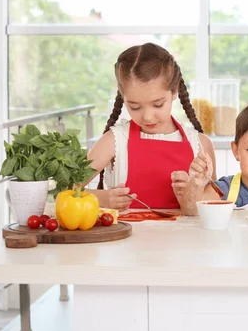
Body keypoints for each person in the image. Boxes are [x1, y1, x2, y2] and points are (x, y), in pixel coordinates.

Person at [86, 43, 215, 214]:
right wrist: (102, 198)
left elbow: (215, 204)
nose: (147, 116)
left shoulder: (200, 144)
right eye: (134, 107)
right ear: (123, 97)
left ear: (174, 91)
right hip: (126, 240)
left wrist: (193, 191)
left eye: (157, 104)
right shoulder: (114, 140)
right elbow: (65, 192)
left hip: (185, 240)